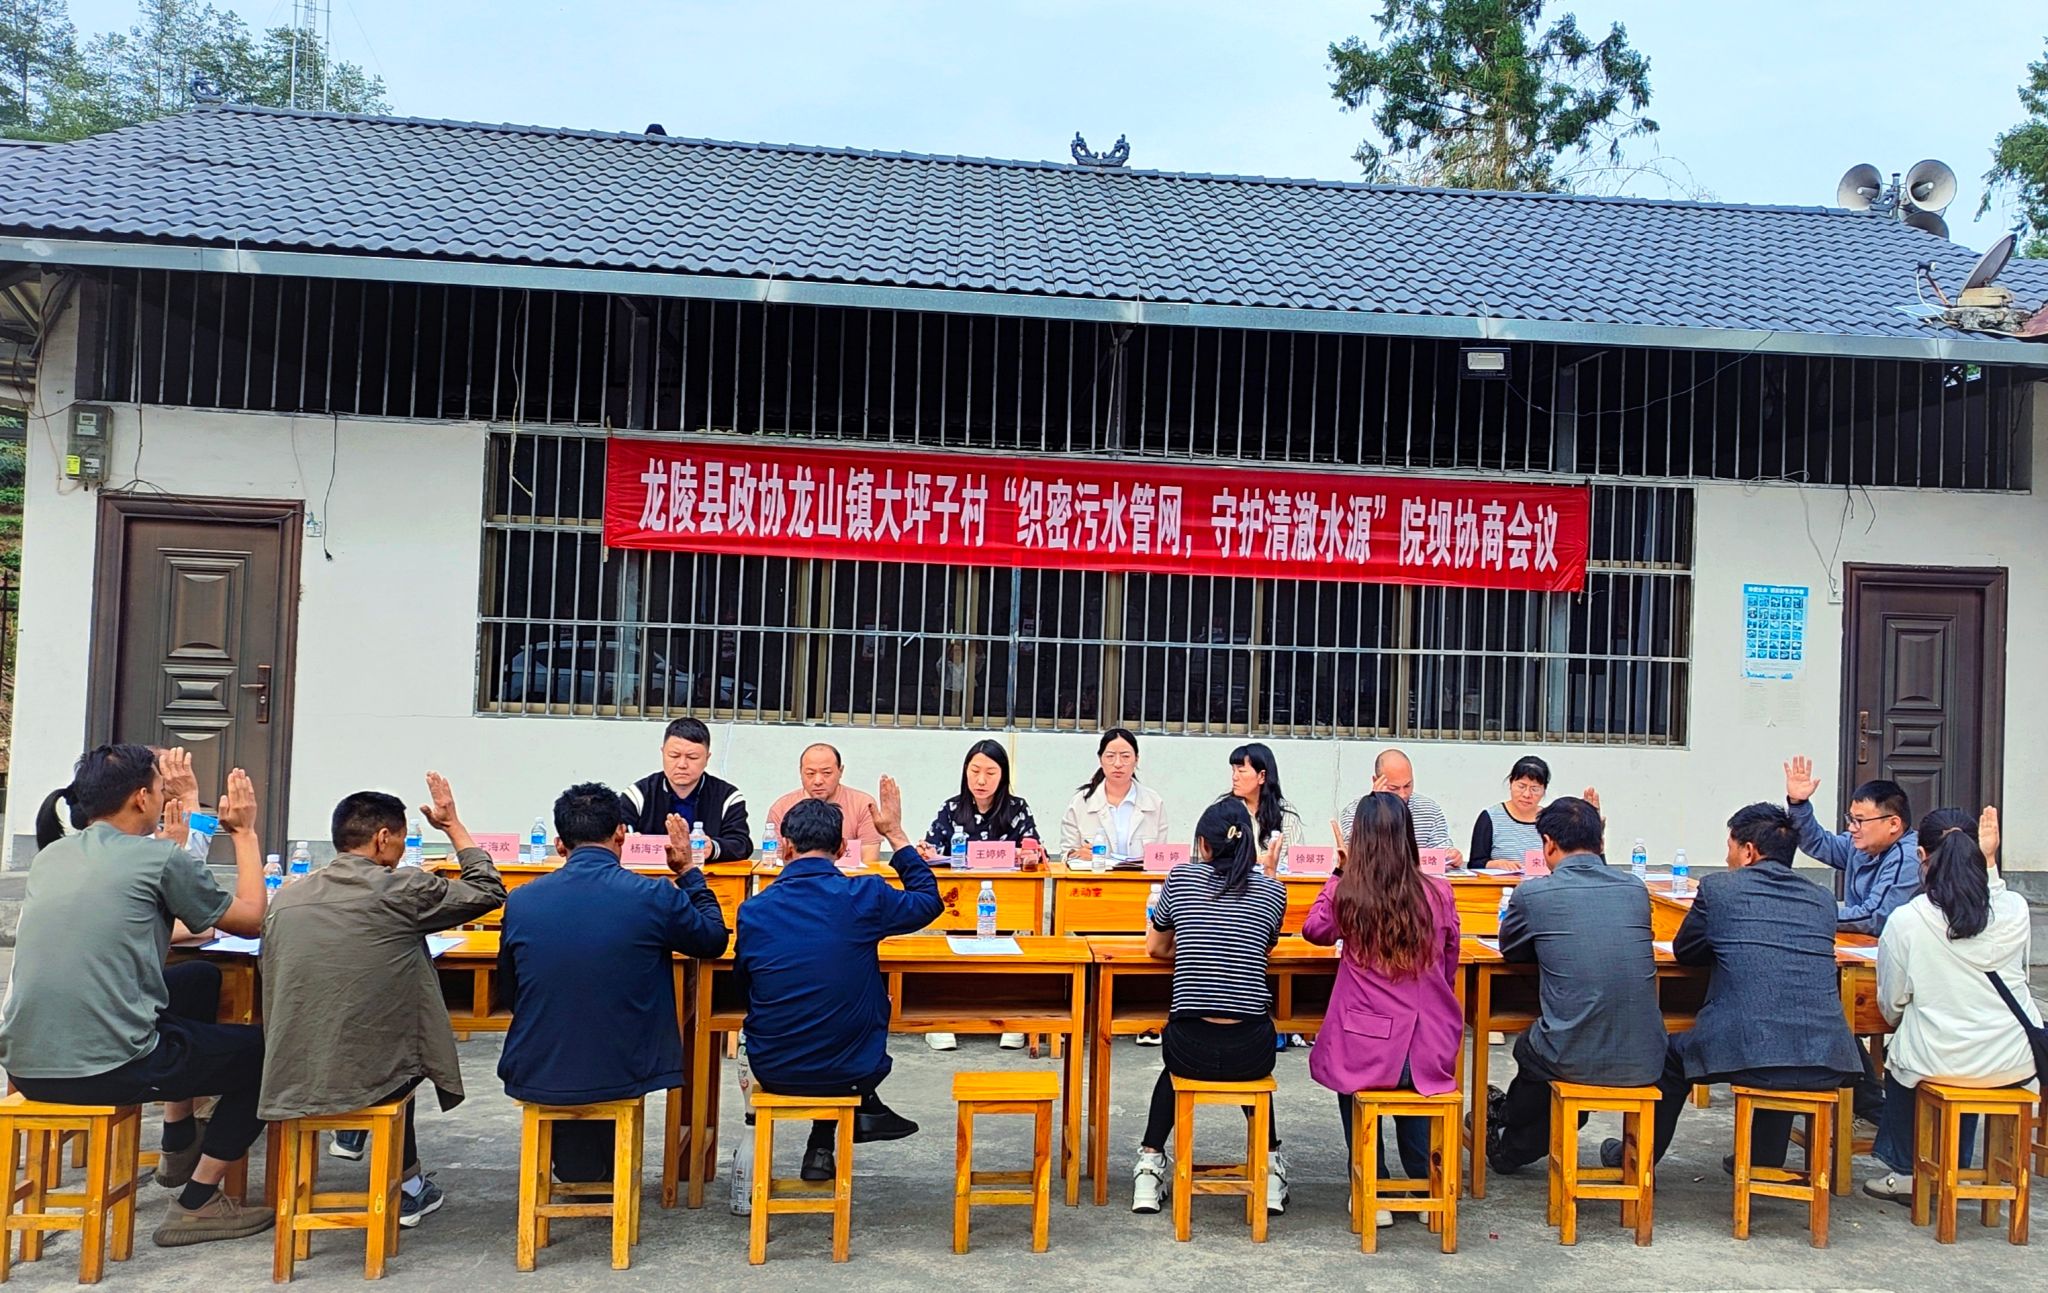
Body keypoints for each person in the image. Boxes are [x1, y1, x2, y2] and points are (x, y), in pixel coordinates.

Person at [0, 746, 272, 1246]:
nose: (165, 798)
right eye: (161, 789)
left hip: (25, 1064)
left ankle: (178, 1137)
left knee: (197, 980)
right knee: (265, 1054)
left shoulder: (52, 856)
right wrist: (245, 833)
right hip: (106, 1066)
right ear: (142, 798)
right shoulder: (157, 857)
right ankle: (198, 1202)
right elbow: (253, 918)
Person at [259, 775, 506, 1226]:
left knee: (376, 1028)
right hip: (370, 1064)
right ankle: (403, 1184)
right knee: (405, 1046)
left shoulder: (287, 897)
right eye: (403, 838)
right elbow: (488, 890)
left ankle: (378, 1154)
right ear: (383, 838)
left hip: (294, 1066)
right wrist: (452, 826)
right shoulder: (400, 888)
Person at [1599, 803, 1861, 1172]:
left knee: (1671, 1054)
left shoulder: (1720, 888)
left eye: (1730, 847)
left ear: (1748, 851)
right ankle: (1763, 1159)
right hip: (1826, 1055)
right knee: (1779, 1041)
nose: (1726, 857)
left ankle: (1634, 1159)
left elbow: (1686, 951)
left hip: (1749, 1050)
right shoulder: (1820, 898)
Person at [497, 782, 730, 1183]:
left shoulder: (521, 900)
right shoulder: (652, 895)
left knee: (575, 1042)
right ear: (621, 833)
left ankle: (584, 1168)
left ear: (559, 844)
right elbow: (712, 939)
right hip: (626, 1063)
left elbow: (510, 989)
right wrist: (690, 871)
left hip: (542, 1064)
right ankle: (596, 1170)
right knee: (606, 1045)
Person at [735, 779, 939, 1182]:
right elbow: (928, 900)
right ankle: (849, 1119)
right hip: (854, 1067)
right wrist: (895, 834)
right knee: (853, 1003)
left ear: (785, 847)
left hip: (774, 1066)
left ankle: (825, 1140)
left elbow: (745, 985)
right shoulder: (864, 895)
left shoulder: (753, 910)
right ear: (843, 849)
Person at [1863, 807, 2042, 1202]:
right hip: (2012, 1061)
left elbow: (1892, 1004)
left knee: (1904, 1053)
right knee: (1960, 1051)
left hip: (1940, 1061)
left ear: (1921, 856)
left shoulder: (1907, 920)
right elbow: (2019, 964)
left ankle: (1908, 1171)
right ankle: (1959, 1167)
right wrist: (1988, 863)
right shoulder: (2015, 909)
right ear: (1978, 854)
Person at [1301, 791, 1461, 1229]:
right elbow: (1449, 967)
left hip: (1368, 1045)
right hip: (1428, 1045)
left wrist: (1338, 872)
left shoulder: (1350, 893)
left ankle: (1372, 1181)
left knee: (1350, 1064)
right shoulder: (1439, 893)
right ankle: (1423, 1181)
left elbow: (1315, 930)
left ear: (1360, 840)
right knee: (1413, 1086)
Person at [1486, 796, 1664, 1175]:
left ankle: (1507, 1122)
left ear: (1548, 843)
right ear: (1601, 841)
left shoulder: (1534, 893)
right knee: (1555, 1048)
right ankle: (1509, 1137)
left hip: (1571, 1055)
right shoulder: (1635, 889)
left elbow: (1512, 949)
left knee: (1532, 1047)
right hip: (1646, 1054)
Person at [1131, 799, 1291, 1217]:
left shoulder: (1181, 878)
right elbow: (1262, 947)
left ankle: (1149, 1167)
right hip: (1251, 1050)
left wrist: (1193, 946)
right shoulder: (1272, 891)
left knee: (1174, 1069)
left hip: (1189, 1047)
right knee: (1254, 1074)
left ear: (1203, 844)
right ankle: (1270, 1170)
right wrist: (1270, 874)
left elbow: (1155, 947)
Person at [918, 739, 1043, 1051]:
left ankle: (1008, 1014)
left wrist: (1029, 855)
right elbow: (933, 849)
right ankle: (944, 1017)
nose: (981, 780)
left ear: (1003, 775)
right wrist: (926, 851)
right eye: (975, 771)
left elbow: (1033, 848)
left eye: (990, 772)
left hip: (1005, 901)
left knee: (1006, 950)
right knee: (954, 948)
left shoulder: (1017, 808)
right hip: (959, 901)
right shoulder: (951, 809)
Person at [1782, 756, 1919, 934]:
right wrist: (1798, 804)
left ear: (1893, 824)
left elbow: (1874, 917)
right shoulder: (1860, 845)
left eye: (1860, 821)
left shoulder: (1909, 857)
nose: (1851, 828)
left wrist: (1809, 914)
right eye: (1851, 819)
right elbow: (1817, 843)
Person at [619, 716, 753, 862]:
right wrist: (627, 840)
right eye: (674, 756)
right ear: (663, 753)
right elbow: (612, 836)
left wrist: (713, 848)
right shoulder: (637, 795)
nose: (682, 764)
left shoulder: (728, 797)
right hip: (647, 875)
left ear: (707, 758)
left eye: (692, 757)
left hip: (706, 874)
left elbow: (742, 844)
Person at [1058, 727, 1168, 863]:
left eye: (1125, 756)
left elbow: (1160, 857)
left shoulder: (1154, 802)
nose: (1118, 764)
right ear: (1100, 759)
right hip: (1095, 876)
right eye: (1110, 756)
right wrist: (1077, 854)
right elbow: (1066, 854)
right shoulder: (1081, 802)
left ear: (1136, 759)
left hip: (1140, 877)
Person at [1469, 755, 1600, 867]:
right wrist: (1494, 864)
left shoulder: (1552, 819)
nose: (1527, 794)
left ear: (1544, 790)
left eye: (1535, 789)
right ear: (1511, 783)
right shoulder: (1490, 817)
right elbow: (1475, 863)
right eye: (1521, 786)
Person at [1338, 748, 1460, 864]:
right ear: (1376, 781)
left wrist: (1452, 857)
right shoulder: (1355, 812)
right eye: (1394, 788)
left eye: (1407, 786)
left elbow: (1443, 853)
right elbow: (1354, 858)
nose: (1403, 794)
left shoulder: (1430, 810)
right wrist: (1378, 807)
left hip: (1418, 878)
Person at [765, 743, 880, 854]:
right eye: (810, 773)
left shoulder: (862, 804)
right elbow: (774, 858)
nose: (818, 781)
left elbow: (869, 858)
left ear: (840, 771)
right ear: (800, 772)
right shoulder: (781, 808)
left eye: (827, 773)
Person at [1228, 742, 1303, 876]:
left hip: (1274, 883)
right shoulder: (1224, 811)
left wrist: (1271, 863)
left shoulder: (1286, 814)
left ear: (1262, 776)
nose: (1234, 777)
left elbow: (1297, 862)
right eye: (1233, 770)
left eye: (1241, 771)